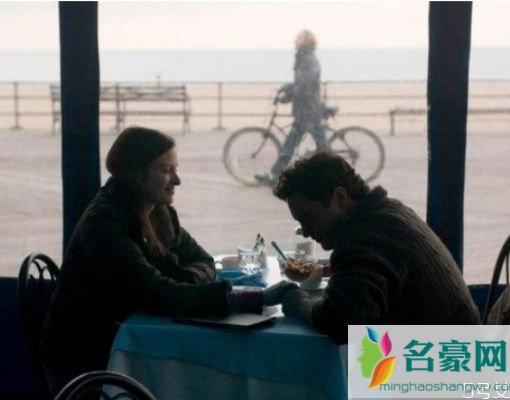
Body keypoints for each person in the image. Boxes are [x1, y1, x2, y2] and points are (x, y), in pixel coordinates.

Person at [40, 126, 295, 395]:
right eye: (166, 170)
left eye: (176, 169)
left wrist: (183, 282)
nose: (177, 180)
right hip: (87, 360)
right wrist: (252, 298)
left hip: (129, 341)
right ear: (136, 173)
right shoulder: (104, 224)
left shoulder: (160, 212)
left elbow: (204, 261)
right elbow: (158, 294)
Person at [272, 150, 481, 343]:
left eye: (309, 218)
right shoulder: (389, 211)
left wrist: (301, 304)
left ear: (340, 197)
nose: (306, 232)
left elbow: (341, 323)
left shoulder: (365, 239)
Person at [256, 29, 326, 186]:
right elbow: (300, 83)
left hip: (308, 111)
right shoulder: (304, 58)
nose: (295, 41)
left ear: (305, 41)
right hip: (305, 110)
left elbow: (305, 86)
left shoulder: (307, 59)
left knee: (321, 149)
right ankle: (273, 175)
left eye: (298, 38)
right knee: (291, 146)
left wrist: (288, 96)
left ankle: (340, 178)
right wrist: (286, 88)